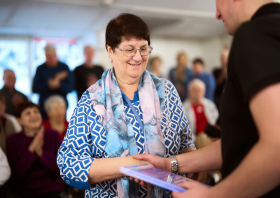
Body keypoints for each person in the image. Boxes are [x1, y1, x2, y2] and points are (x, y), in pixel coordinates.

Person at [133, 0, 280, 197]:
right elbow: (240, 142)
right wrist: (171, 163)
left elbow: (276, 146)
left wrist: (213, 195)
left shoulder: (254, 33)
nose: (217, 15)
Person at [57, 13, 199, 198]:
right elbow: (69, 164)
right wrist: (130, 166)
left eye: (143, 48)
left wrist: (196, 167)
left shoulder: (167, 91)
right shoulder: (92, 99)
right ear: (110, 50)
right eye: (129, 49)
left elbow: (186, 142)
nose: (138, 57)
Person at [6, 101, 65, 198]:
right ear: (19, 120)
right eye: (28, 113)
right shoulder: (12, 140)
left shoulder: (53, 135)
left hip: (54, 190)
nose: (33, 115)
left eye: (36, 112)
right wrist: (32, 148)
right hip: (26, 193)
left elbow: (61, 169)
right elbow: (15, 176)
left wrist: (41, 153)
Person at [32, 44, 74, 119]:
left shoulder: (64, 67)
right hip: (44, 107)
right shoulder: (40, 69)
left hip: (61, 106)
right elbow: (35, 88)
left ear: (56, 55)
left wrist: (59, 85)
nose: (50, 59)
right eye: (47, 56)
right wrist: (48, 84)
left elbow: (71, 88)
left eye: (52, 56)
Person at [183, 79, 218, 144]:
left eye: (199, 90)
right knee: (202, 137)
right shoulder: (183, 108)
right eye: (194, 90)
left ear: (203, 92)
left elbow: (217, 123)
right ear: (188, 92)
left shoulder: (210, 105)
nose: (196, 93)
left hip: (213, 137)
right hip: (196, 140)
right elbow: (185, 131)